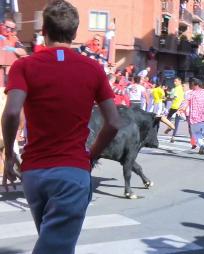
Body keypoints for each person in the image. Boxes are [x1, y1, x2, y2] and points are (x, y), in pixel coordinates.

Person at [1, 1, 120, 253]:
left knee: (53, 241)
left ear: (44, 30)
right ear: (75, 33)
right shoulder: (93, 69)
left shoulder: (24, 66)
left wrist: (10, 155)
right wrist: (92, 157)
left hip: (33, 174)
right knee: (56, 247)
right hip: (72, 172)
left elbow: (11, 112)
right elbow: (113, 123)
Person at [182, 79, 204, 161]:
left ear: (195, 84)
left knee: (195, 133)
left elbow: (185, 103)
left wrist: (181, 110)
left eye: (191, 84)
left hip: (194, 119)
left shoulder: (190, 93)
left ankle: (201, 144)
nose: (190, 85)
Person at [164, 77, 184, 143]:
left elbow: (173, 97)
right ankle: (173, 136)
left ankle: (170, 127)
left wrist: (167, 98)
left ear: (180, 81)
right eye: (174, 81)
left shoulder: (176, 89)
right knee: (176, 122)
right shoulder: (182, 88)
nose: (174, 82)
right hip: (179, 106)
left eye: (176, 81)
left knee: (167, 119)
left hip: (175, 106)